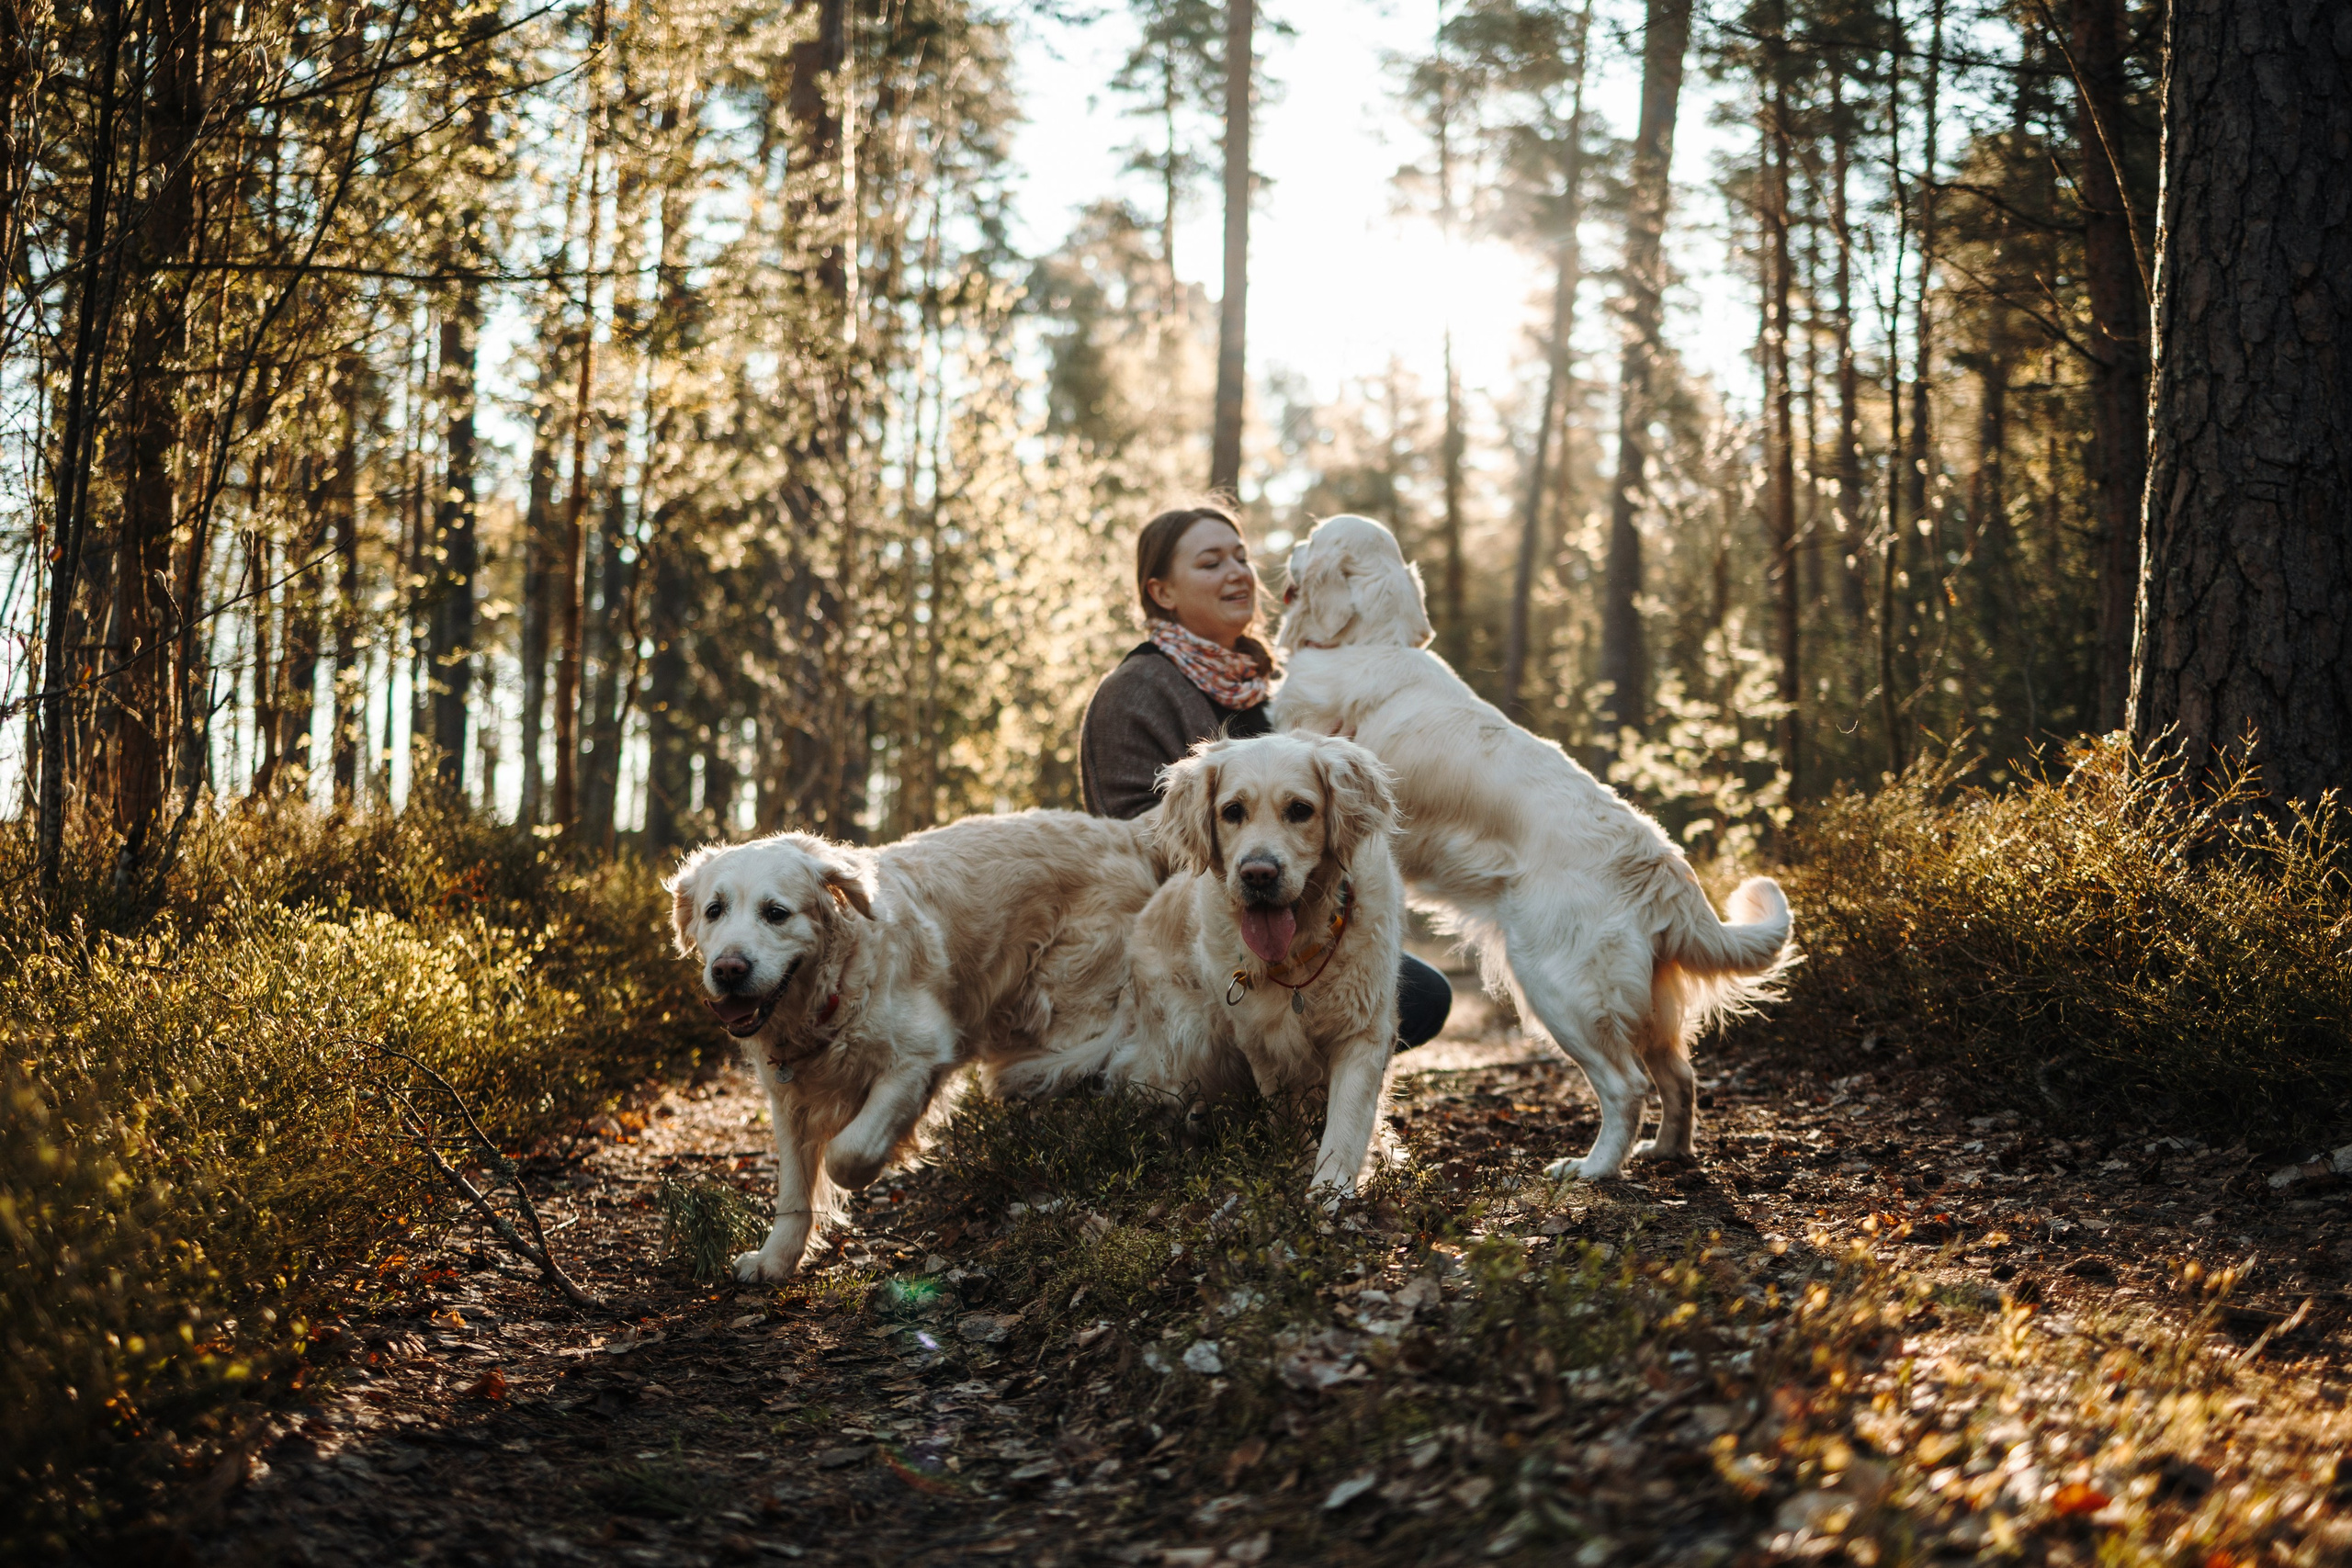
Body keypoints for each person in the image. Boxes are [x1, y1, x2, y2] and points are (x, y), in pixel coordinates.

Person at [1079, 502, 1453, 1051]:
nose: (1237, 573)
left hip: (1304, 914)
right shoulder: (1133, 691)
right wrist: (1212, 795)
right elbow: (1130, 849)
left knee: (1421, 995)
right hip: (1180, 937)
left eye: (1242, 557)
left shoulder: (1268, 688)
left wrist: (1335, 776)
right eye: (1211, 563)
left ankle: (1317, 1109)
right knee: (1414, 993)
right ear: (1162, 593)